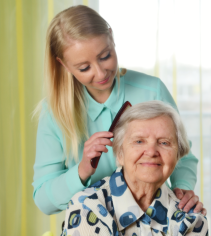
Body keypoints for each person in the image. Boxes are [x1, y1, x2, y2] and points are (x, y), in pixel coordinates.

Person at [32, 5, 204, 216]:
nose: (101, 72)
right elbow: (43, 200)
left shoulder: (152, 90)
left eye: (105, 56)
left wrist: (183, 188)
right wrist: (82, 169)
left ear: (112, 38)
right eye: (84, 68)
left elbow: (182, 155)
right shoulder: (54, 113)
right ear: (64, 65)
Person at [60, 101, 208, 236]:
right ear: (119, 154)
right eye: (139, 141)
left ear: (177, 156)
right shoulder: (87, 207)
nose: (151, 152)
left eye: (164, 143)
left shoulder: (192, 218)